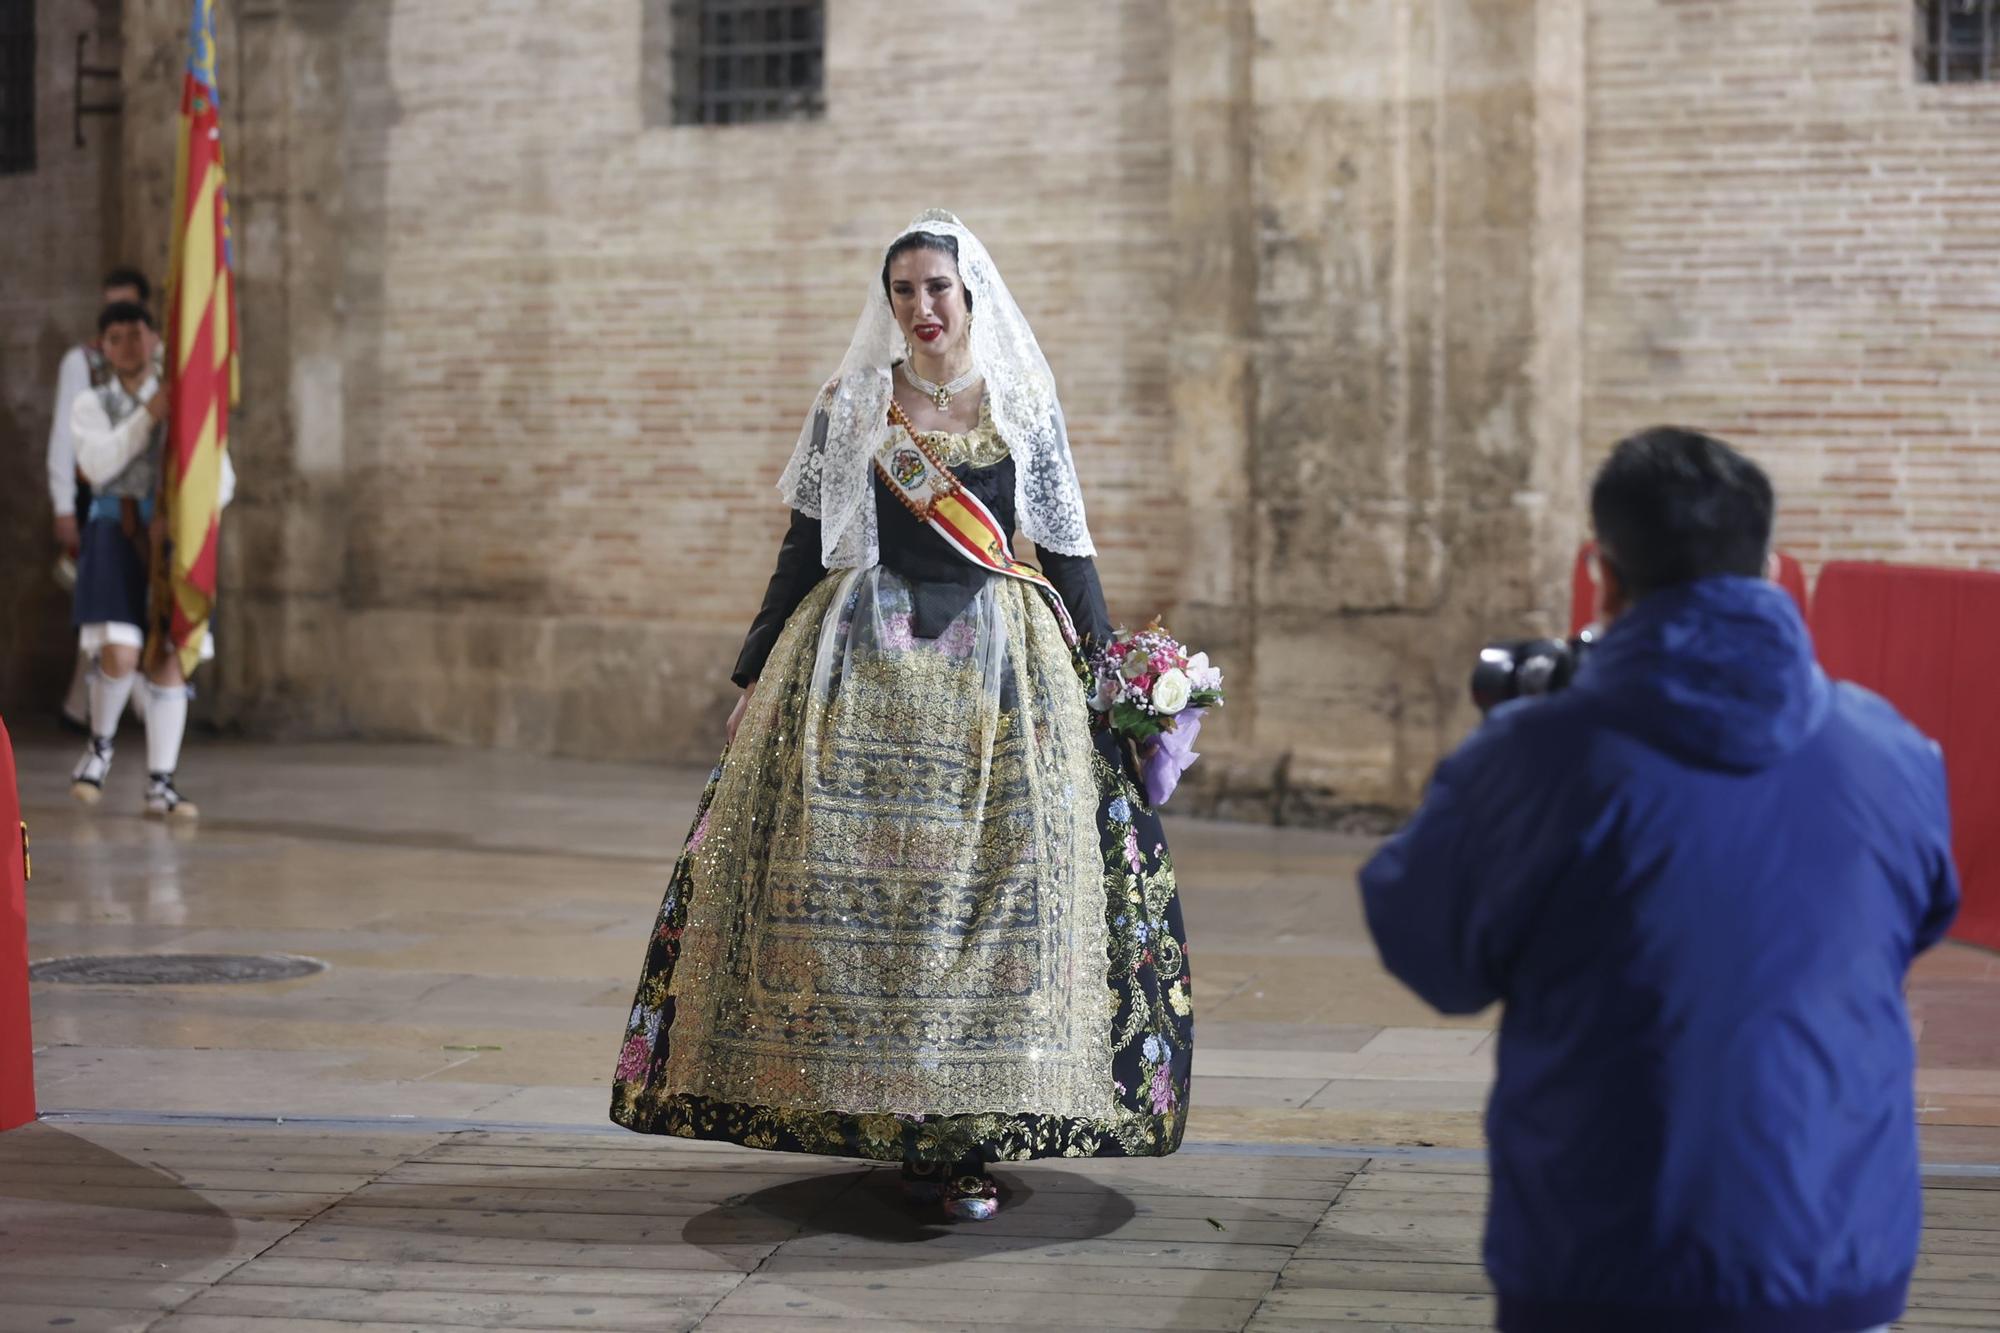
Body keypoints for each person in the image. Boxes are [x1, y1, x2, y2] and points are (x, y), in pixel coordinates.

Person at [610, 210, 1193, 1222]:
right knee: (871, 903)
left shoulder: (1019, 403)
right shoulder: (850, 407)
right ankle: (878, 1113)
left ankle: (969, 1129)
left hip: (1001, 680)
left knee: (984, 904)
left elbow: (1068, 554)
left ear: (971, 296)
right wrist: (753, 675)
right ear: (886, 304)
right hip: (858, 661)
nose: (921, 307)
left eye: (937, 288)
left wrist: (1113, 686)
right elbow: (801, 552)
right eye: (903, 291)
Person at [1361, 427, 1959, 1333]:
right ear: (1770, 564)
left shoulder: (1540, 757)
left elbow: (1432, 951)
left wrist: (1501, 758)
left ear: (1603, 573)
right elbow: (1913, 920)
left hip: (1602, 1264)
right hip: (1836, 1255)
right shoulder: (1891, 750)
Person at [65, 301, 236, 820]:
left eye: (137, 334)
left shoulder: (187, 405)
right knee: (119, 648)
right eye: (116, 337)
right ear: (104, 347)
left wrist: (185, 516)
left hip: (170, 540)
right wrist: (149, 416)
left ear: (155, 340)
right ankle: (100, 744)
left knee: (168, 653)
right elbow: (96, 465)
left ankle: (161, 781)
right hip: (113, 533)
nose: (129, 345)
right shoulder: (91, 404)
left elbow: (221, 480)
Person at [48, 267, 155, 732]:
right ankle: (102, 714)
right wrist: (63, 506)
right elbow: (67, 442)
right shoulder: (83, 365)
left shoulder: (165, 369)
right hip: (104, 504)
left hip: (156, 512)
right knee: (105, 612)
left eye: (132, 315)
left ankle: (97, 710)